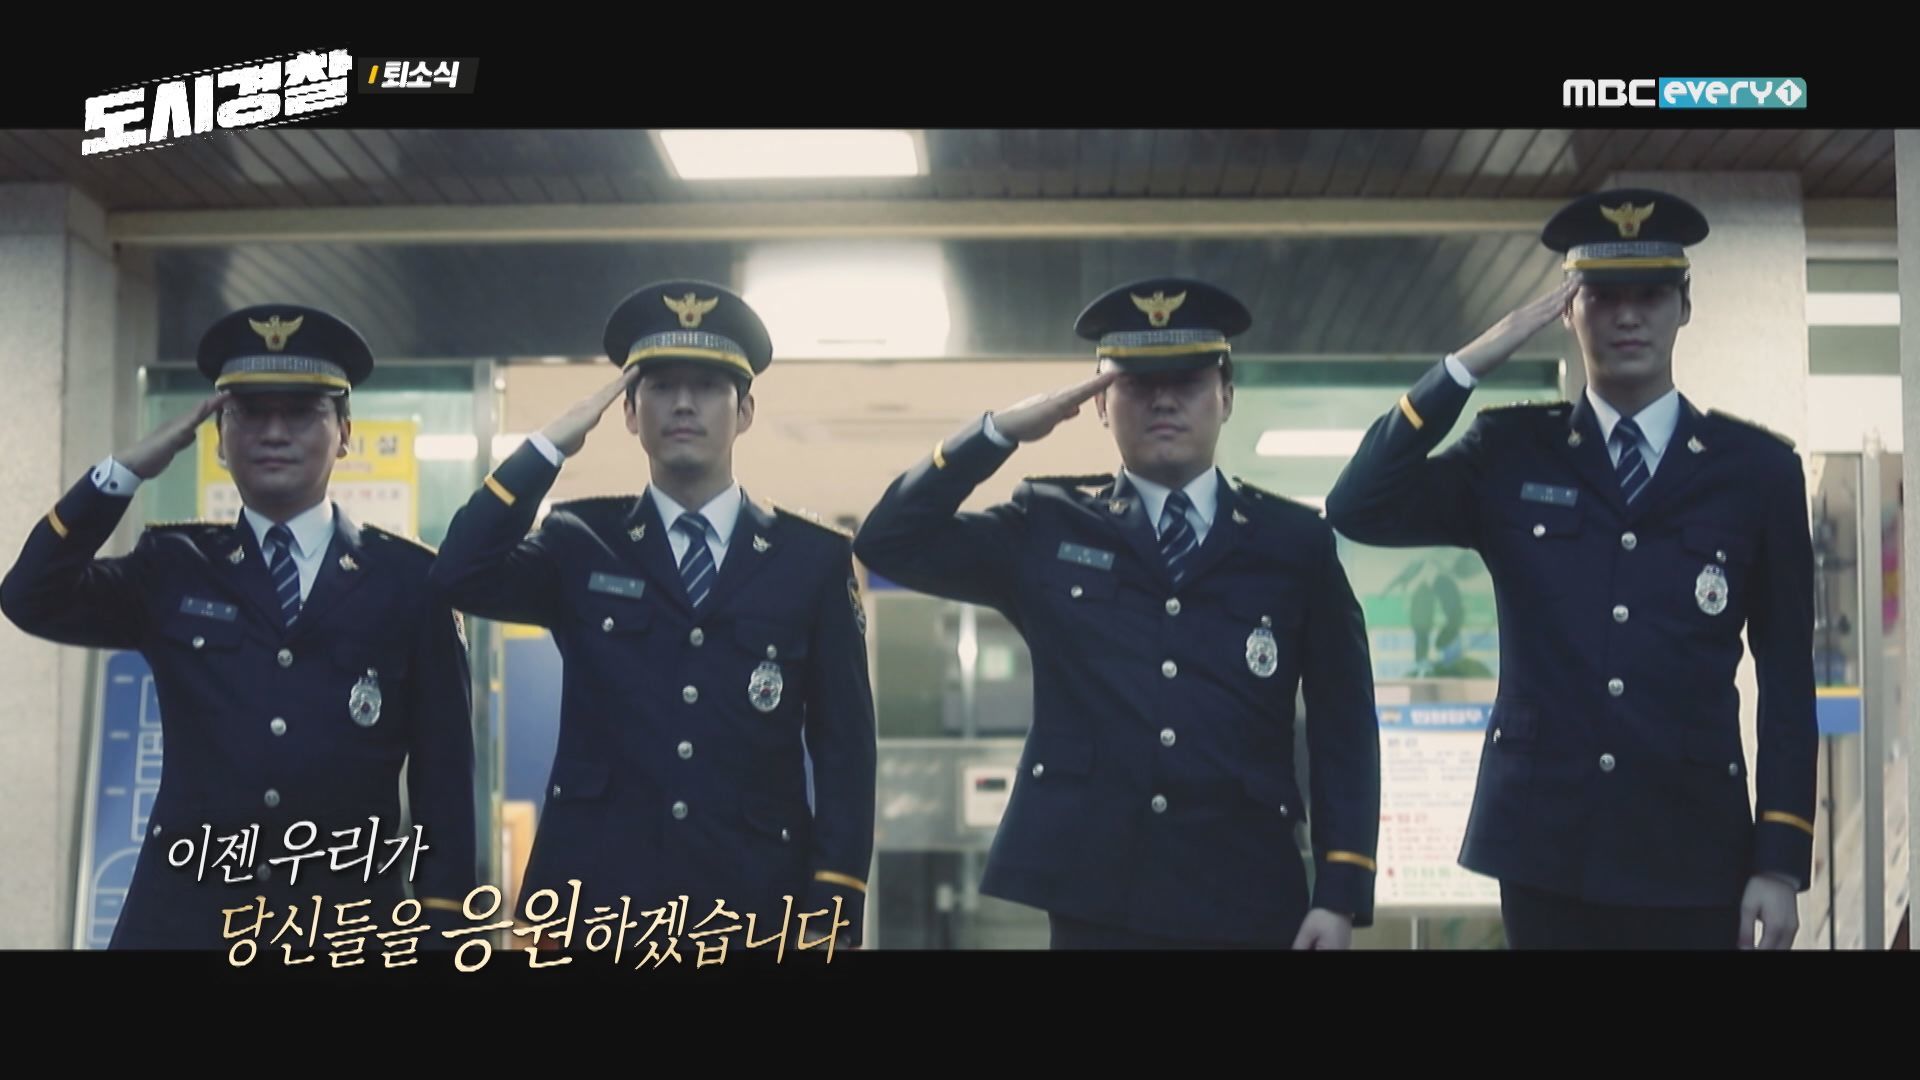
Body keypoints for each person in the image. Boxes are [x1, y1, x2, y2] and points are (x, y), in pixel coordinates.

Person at [1324, 188, 1817, 949]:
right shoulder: (1512, 452)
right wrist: (1467, 365)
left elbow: (1786, 678)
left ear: (1685, 306)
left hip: (1693, 846)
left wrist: (1779, 860)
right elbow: (1359, 504)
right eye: (1603, 296)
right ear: (1567, 310)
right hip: (1545, 846)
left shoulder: (1756, 472)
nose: (1628, 317)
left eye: (1650, 295)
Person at [854, 278, 1381, 949]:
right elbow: (888, 542)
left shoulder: (1293, 543)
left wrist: (1339, 893)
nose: (1163, 399)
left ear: (1226, 395)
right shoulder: (1048, 525)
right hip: (1096, 893)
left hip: (1247, 885)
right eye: (1135, 382)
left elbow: (1344, 726)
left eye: (1188, 379)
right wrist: (997, 433)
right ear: (1101, 404)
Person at [1, 304, 477, 950]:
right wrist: (125, 473)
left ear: (344, 432)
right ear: (219, 436)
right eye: (250, 413)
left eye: (301, 412)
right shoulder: (173, 567)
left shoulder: (410, 580)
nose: (274, 432)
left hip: (342, 922)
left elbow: (444, 781)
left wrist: (443, 926)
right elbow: (30, 597)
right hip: (184, 922)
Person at [429, 281, 876, 954]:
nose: (684, 403)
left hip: (755, 902)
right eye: (661, 387)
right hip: (593, 903)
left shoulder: (810, 559)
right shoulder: (580, 541)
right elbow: (458, 574)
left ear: (745, 411)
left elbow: (846, 750)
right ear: (630, 413)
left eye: (708, 387)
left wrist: (833, 909)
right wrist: (549, 447)